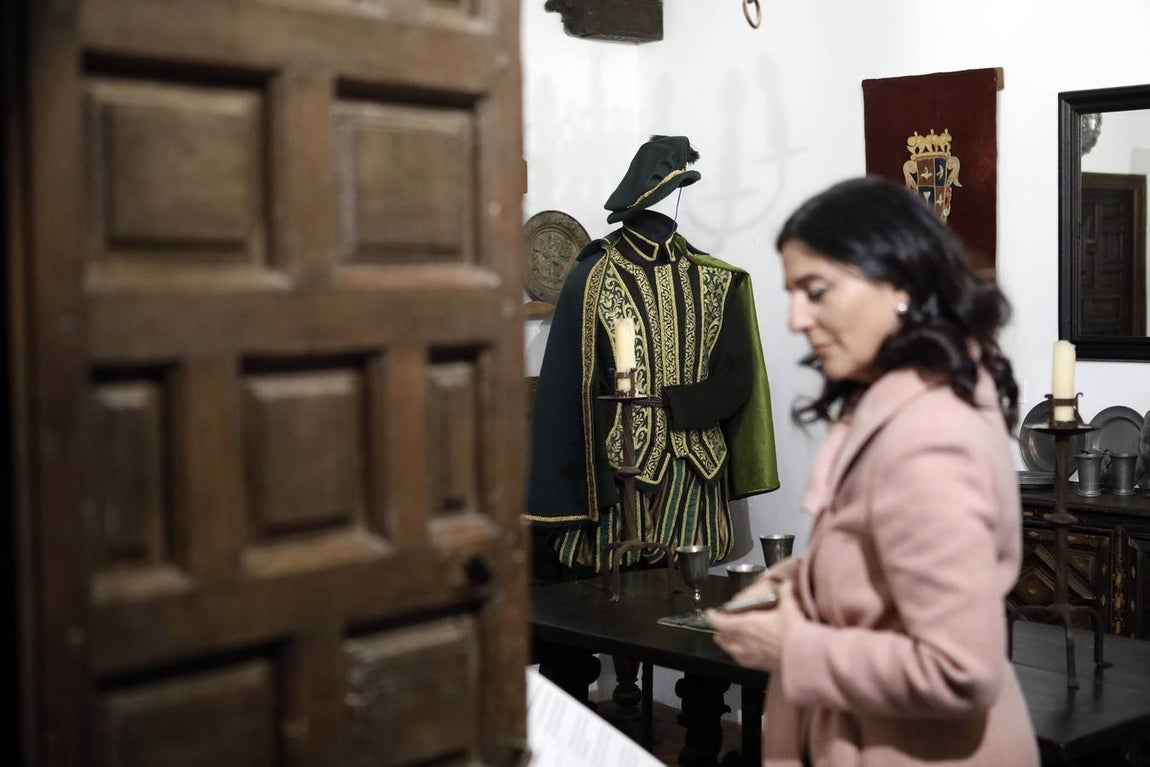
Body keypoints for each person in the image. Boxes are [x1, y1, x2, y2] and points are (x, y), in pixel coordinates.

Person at [706, 176, 1039, 767]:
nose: (796, 319)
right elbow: (884, 555)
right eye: (791, 293)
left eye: (816, 290)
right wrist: (796, 583)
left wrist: (793, 646)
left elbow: (962, 669)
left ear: (899, 285)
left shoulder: (928, 437)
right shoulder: (902, 399)